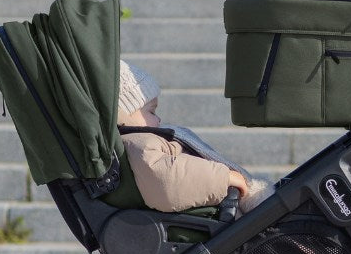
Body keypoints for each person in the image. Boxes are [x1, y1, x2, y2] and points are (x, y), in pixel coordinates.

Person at [116, 59, 272, 216]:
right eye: (152, 112)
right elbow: (165, 178)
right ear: (125, 113)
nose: (159, 120)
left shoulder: (144, 139)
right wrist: (223, 178)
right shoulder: (139, 143)